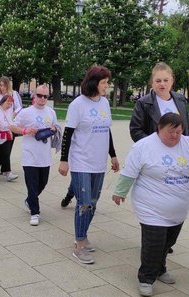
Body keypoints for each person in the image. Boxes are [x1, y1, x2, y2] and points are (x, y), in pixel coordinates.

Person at [111, 113, 189, 296]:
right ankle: (146, 278)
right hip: (151, 206)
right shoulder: (144, 146)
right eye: (171, 131)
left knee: (168, 242)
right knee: (154, 243)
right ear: (159, 128)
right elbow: (129, 171)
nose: (175, 136)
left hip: (179, 207)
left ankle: (160, 268)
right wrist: (120, 192)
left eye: (179, 132)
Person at [59, 66, 119, 264]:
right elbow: (68, 133)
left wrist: (113, 156)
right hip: (81, 161)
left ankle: (83, 236)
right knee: (84, 203)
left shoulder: (105, 103)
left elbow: (106, 131)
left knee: (93, 202)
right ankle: (79, 244)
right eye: (104, 83)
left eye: (107, 82)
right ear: (94, 83)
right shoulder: (78, 104)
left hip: (98, 163)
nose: (107, 86)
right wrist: (64, 160)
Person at [11, 85, 59, 226]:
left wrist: (53, 128)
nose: (42, 98)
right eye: (40, 95)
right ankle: (34, 212)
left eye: (45, 96)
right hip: (29, 155)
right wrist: (25, 130)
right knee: (32, 185)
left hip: (44, 156)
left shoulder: (51, 112)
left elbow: (56, 125)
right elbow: (13, 127)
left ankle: (29, 200)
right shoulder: (26, 112)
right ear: (34, 95)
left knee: (42, 183)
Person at [0, 76, 23, 175]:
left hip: (9, 125)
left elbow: (18, 107)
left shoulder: (13, 94)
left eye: (4, 85)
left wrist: (13, 115)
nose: (2, 87)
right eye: (0, 85)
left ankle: (5, 169)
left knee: (7, 149)